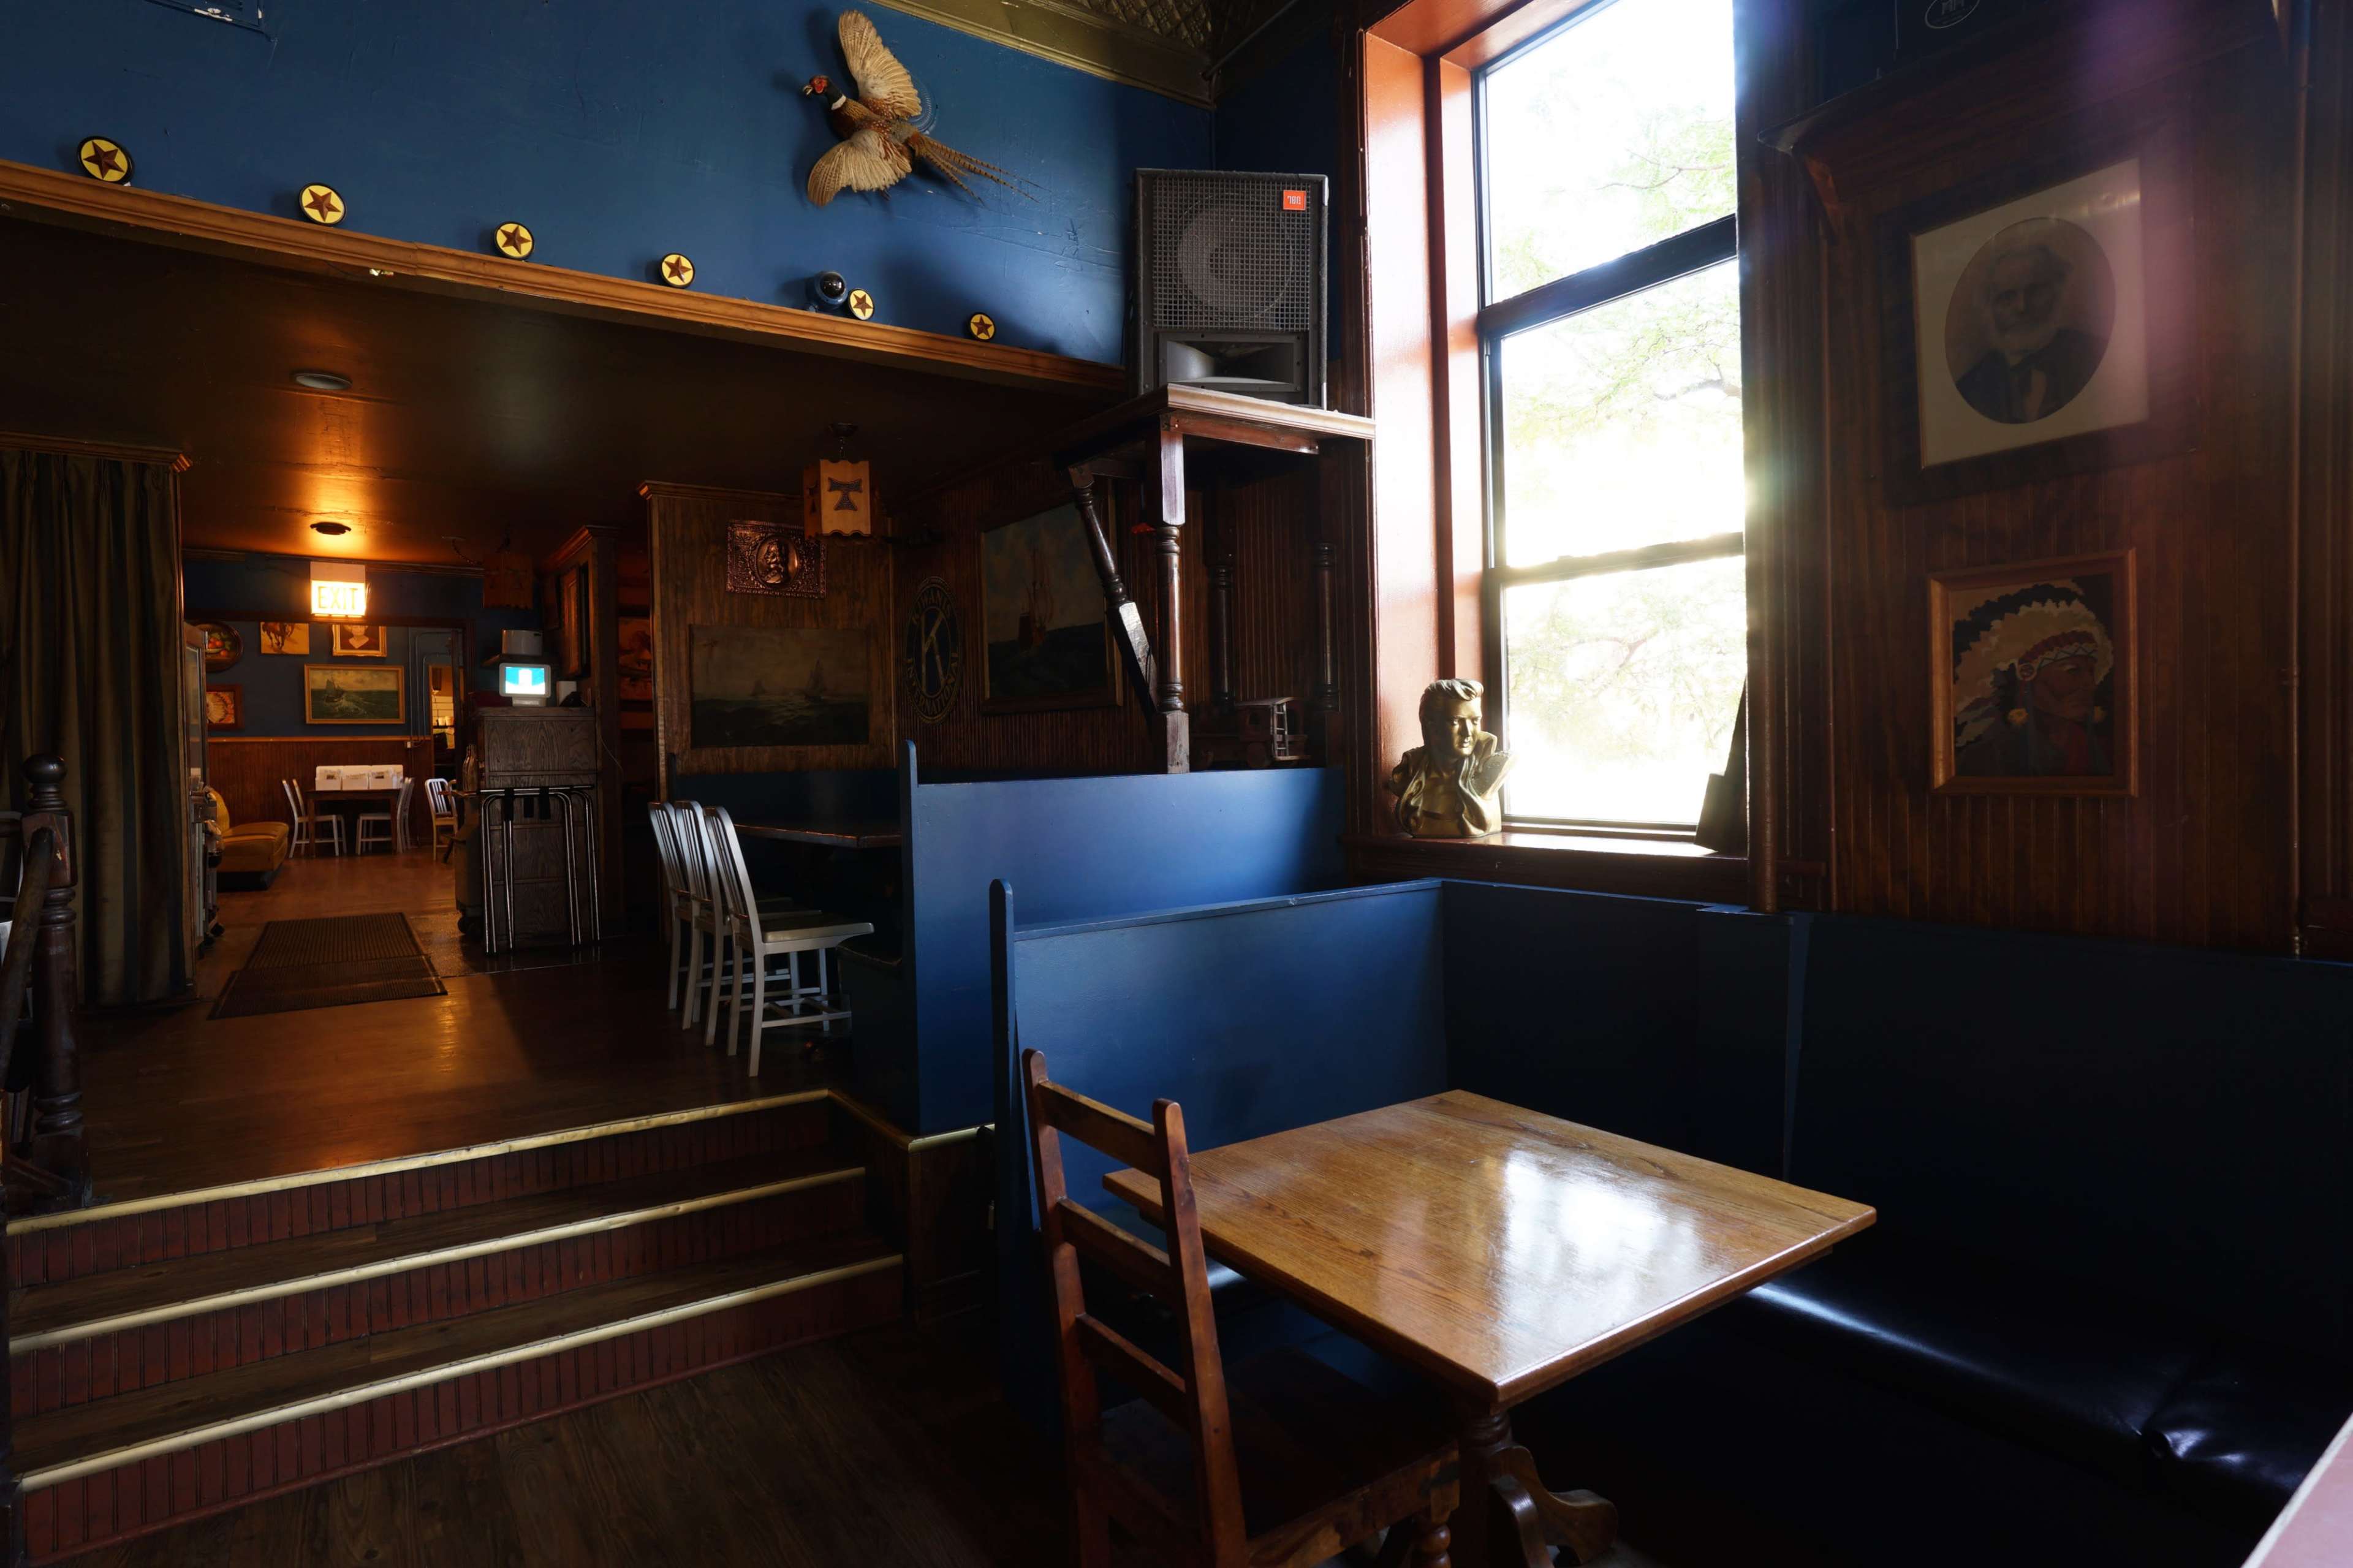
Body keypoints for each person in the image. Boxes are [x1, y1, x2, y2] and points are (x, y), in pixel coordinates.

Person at [1951, 582, 2113, 778]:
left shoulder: (2105, 753)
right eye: (2072, 671)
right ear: (2027, 677)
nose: (2090, 684)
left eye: (2091, 672)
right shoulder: (1984, 759)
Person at [1953, 237, 2108, 424]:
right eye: (2007, 297)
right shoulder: (1970, 390)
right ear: (1988, 308)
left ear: (2058, 291)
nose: (2022, 307)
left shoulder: (2097, 356)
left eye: (2035, 291)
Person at [1385, 678, 1514, 838]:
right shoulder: (1409, 775)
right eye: (1455, 721)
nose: (1467, 732)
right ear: (1430, 724)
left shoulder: (1492, 771)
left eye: (1475, 721)